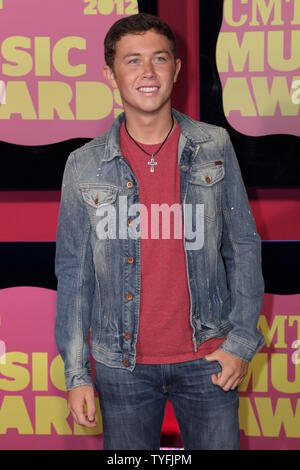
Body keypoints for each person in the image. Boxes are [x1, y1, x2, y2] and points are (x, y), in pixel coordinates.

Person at [54, 13, 265, 450]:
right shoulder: (83, 164)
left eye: (159, 59)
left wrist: (241, 343)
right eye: (132, 61)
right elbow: (74, 276)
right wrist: (77, 374)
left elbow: (243, 247)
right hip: (121, 367)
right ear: (110, 74)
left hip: (209, 360)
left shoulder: (215, 146)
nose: (147, 72)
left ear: (177, 69)